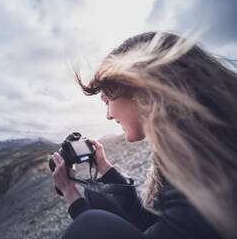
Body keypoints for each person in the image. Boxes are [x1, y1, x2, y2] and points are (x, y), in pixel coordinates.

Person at [51, 31, 237, 239]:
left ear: (142, 88)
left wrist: (73, 198)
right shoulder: (204, 146)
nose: (109, 116)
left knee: (87, 225)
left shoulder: (204, 165)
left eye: (107, 100)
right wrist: (105, 168)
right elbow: (151, 223)